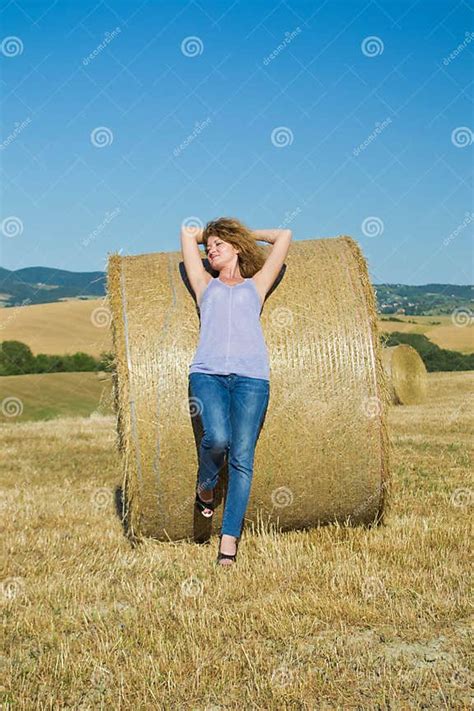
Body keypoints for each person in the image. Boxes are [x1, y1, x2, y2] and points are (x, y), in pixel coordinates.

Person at [181, 217, 292, 566]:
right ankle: (206, 486)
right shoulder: (203, 284)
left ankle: (228, 544)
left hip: (251, 380)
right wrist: (209, 236)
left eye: (218, 246)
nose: (210, 250)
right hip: (207, 375)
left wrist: (242, 235)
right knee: (216, 439)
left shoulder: (257, 285)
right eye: (209, 247)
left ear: (238, 248)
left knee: (242, 459)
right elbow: (187, 234)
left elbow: (283, 235)